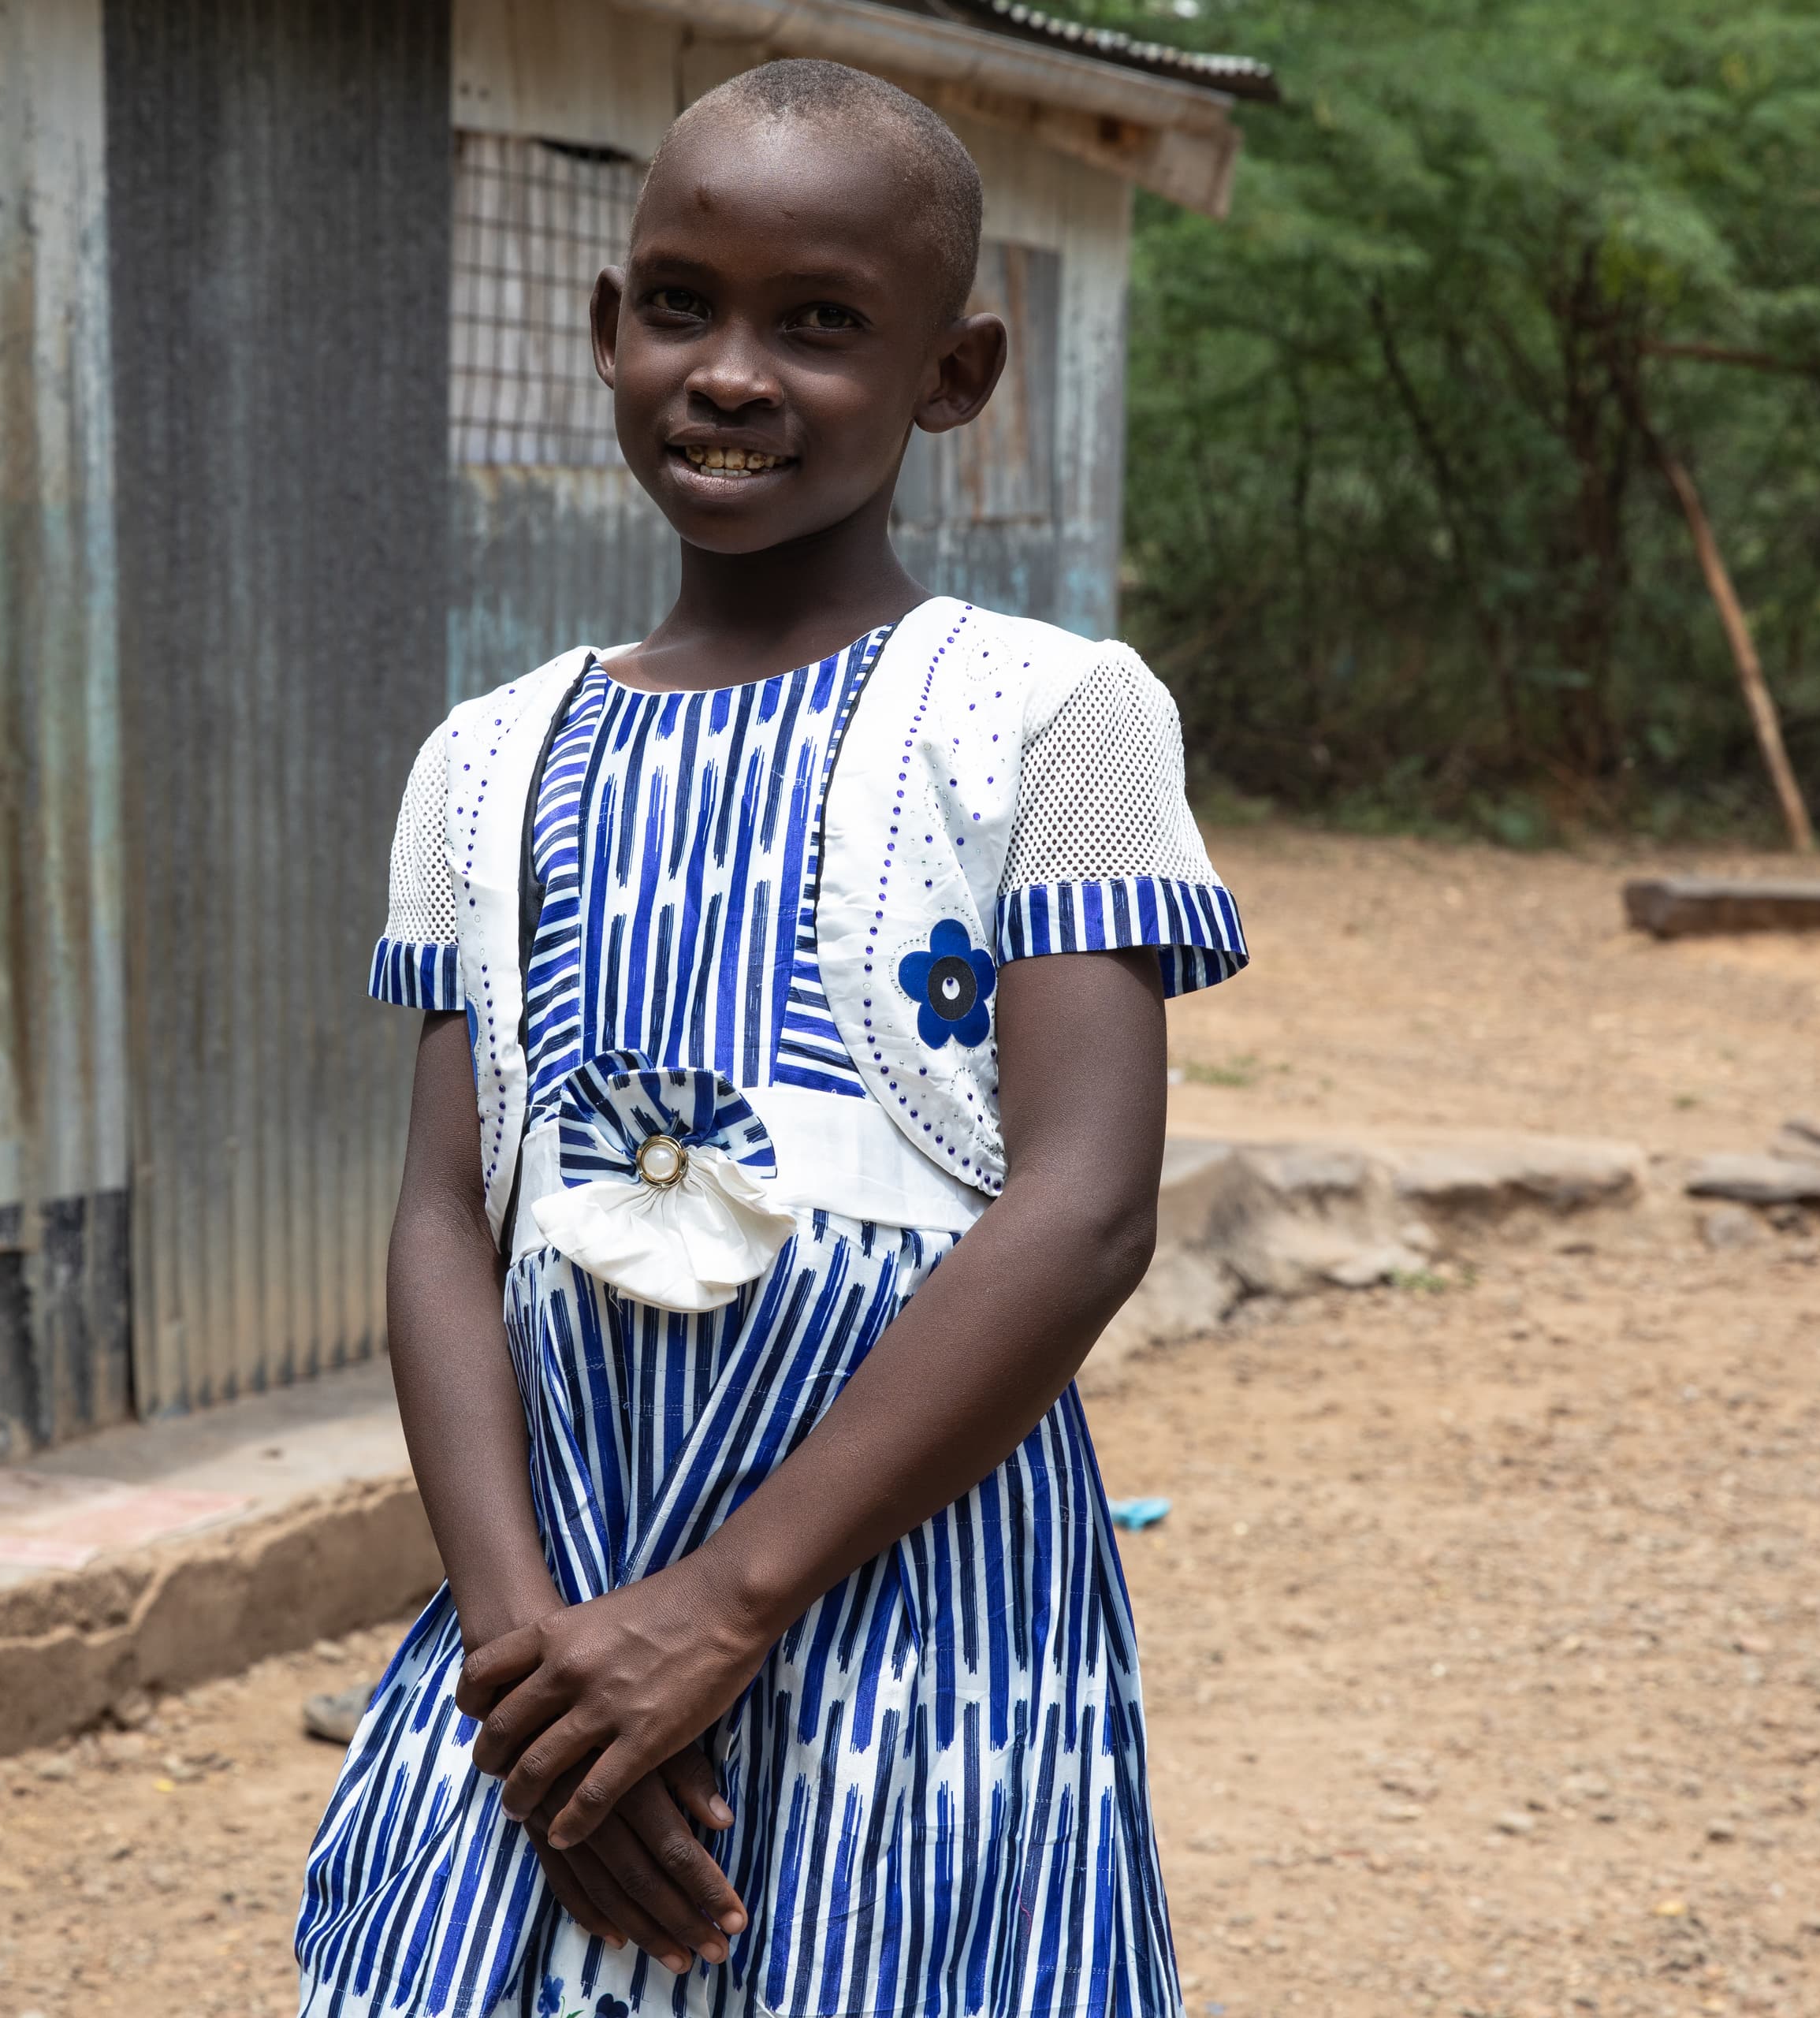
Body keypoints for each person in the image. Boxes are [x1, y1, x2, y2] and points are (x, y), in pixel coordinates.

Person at [297, 58, 1247, 2018]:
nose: (730, 373)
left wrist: (722, 1610)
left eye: (820, 323)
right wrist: (530, 1674)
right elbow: (446, 1220)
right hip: (558, 1620)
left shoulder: (1050, 719)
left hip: (915, 1619)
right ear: (608, 327)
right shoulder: (486, 762)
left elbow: (1083, 1208)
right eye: (682, 305)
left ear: (953, 373)